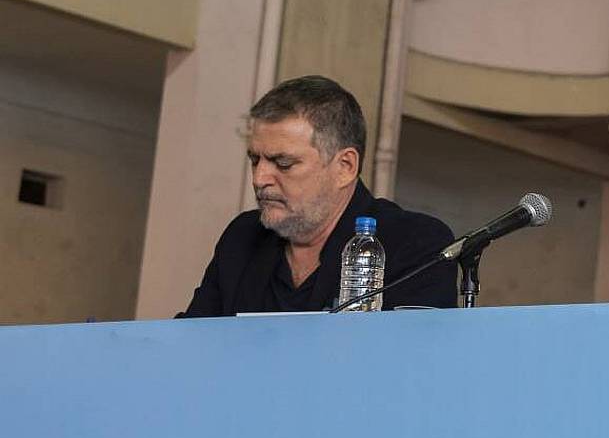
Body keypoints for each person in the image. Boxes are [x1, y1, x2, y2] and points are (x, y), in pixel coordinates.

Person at [179, 76, 455, 316]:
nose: (259, 179)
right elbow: (194, 344)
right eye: (255, 160)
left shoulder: (414, 245)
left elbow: (413, 365)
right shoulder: (242, 238)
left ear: (345, 167)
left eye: (283, 163)